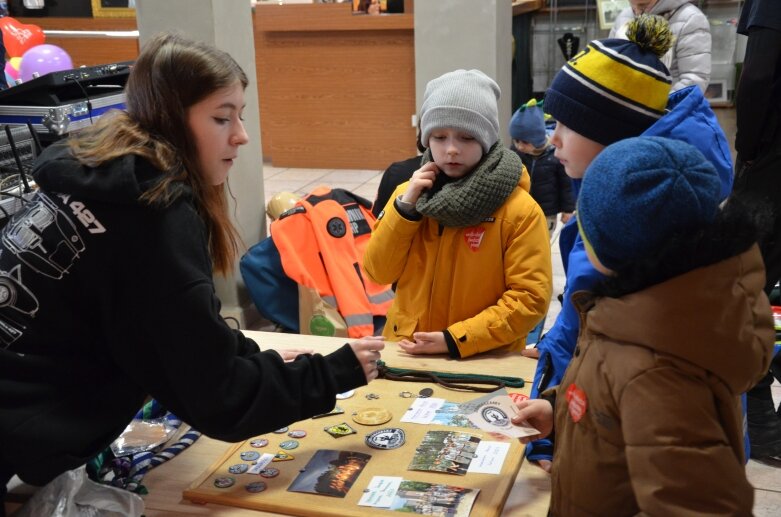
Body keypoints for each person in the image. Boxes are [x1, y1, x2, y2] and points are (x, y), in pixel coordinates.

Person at [0, 32, 384, 507]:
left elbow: (183, 334)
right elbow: (220, 399)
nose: (241, 135)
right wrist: (333, 373)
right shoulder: (152, 214)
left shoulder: (98, 169)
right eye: (222, 118)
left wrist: (249, 355)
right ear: (170, 119)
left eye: (239, 116)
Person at [511, 136, 774, 515]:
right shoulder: (636, 314)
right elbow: (617, 404)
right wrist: (565, 411)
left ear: (609, 246)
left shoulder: (657, 368)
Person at [525, 14, 734, 470]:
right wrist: (551, 360)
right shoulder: (607, 190)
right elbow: (585, 311)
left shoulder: (646, 226)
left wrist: (559, 424)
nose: (551, 138)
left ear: (614, 140)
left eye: (566, 125)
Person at [363, 69, 552, 358]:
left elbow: (530, 299)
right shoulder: (408, 194)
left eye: (466, 137)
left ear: (486, 140)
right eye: (439, 136)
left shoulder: (519, 211)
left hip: (482, 356)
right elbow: (379, 271)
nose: (451, 149)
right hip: (406, 350)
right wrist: (404, 211)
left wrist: (456, 339)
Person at [733, 0, 781, 460]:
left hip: (771, 162)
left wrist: (746, 147)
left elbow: (760, 73)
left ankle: (762, 422)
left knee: (747, 285)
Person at [610, 0, 711, 93]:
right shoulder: (624, 16)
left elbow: (694, 80)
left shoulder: (690, 18)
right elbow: (610, 65)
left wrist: (656, 108)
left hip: (668, 110)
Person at [508, 98, 575, 238]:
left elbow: (565, 185)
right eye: (516, 140)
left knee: (542, 239)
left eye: (525, 142)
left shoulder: (555, 155)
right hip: (522, 207)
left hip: (547, 211)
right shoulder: (515, 153)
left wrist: (567, 210)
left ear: (537, 138)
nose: (519, 146)